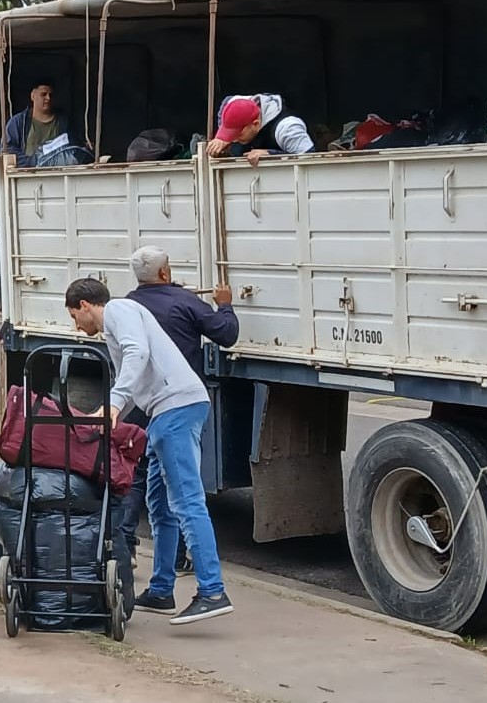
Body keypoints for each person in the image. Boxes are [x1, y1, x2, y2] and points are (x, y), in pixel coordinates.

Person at [64, 277, 233, 626]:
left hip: (176, 408)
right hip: (165, 411)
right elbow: (137, 372)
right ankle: (161, 589)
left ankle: (212, 590)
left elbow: (137, 354)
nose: (76, 327)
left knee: (186, 500)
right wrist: (110, 412)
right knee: (159, 503)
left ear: (83, 304)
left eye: (73, 316)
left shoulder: (118, 310)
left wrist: (114, 402)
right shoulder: (119, 320)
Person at [120, 246, 239, 573]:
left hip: (141, 402)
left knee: (136, 474)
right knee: (178, 484)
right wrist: (225, 304)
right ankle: (183, 560)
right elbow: (226, 334)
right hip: (175, 404)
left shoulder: (127, 306)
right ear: (164, 273)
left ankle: (125, 548)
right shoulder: (185, 301)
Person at [206, 94, 314, 166]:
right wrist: (221, 138)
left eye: (238, 134)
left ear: (255, 124)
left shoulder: (287, 129)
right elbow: (226, 103)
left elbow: (310, 158)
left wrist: (271, 154)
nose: (234, 139)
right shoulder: (230, 104)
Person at [4, 80, 85, 164]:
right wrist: (31, 162)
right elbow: (8, 149)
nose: (48, 98)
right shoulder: (18, 121)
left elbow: (75, 147)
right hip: (26, 174)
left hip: (59, 173)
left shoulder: (64, 121)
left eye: (51, 95)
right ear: (33, 96)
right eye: (43, 94)